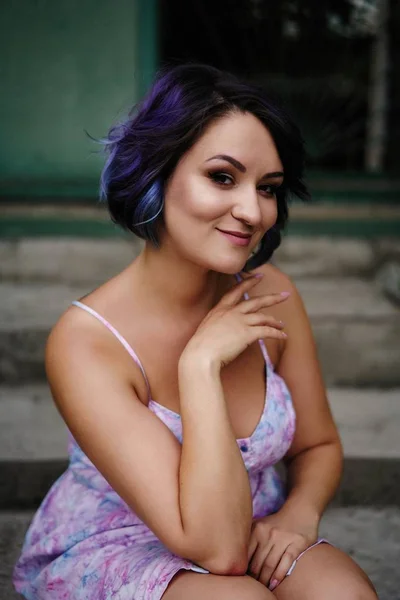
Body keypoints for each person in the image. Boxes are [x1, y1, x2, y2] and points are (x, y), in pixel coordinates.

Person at [14, 63, 377, 600]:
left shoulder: (270, 293)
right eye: (222, 177)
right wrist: (200, 364)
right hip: (123, 543)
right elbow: (217, 550)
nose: (253, 211)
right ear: (156, 172)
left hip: (256, 525)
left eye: (269, 188)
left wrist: (297, 515)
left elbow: (318, 443)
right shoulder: (85, 341)